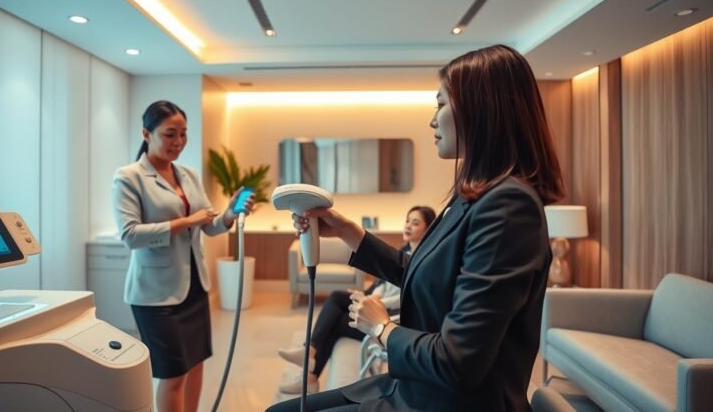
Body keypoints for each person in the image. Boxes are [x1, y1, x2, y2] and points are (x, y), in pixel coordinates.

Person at [267, 44, 565, 411]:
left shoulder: (508, 208)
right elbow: (429, 276)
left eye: (441, 104)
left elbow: (458, 361)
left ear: (480, 109)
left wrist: (382, 328)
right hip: (413, 388)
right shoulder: (473, 197)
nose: (432, 119)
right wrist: (348, 231)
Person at [112, 100, 254, 412]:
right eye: (169, 134)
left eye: (183, 134)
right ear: (146, 133)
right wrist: (186, 222)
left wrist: (229, 213)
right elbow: (130, 235)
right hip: (156, 295)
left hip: (194, 288)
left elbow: (211, 226)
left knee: (196, 365)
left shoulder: (188, 175)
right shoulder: (129, 177)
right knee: (173, 374)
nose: (178, 143)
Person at [277, 206, 437, 394]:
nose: (408, 226)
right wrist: (365, 293)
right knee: (338, 297)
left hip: (388, 316)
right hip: (376, 302)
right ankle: (310, 352)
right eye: (408, 221)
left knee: (335, 322)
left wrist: (375, 303)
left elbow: (407, 297)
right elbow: (381, 283)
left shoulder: (425, 263)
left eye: (415, 223)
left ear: (428, 230)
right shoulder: (402, 252)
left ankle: (310, 371)